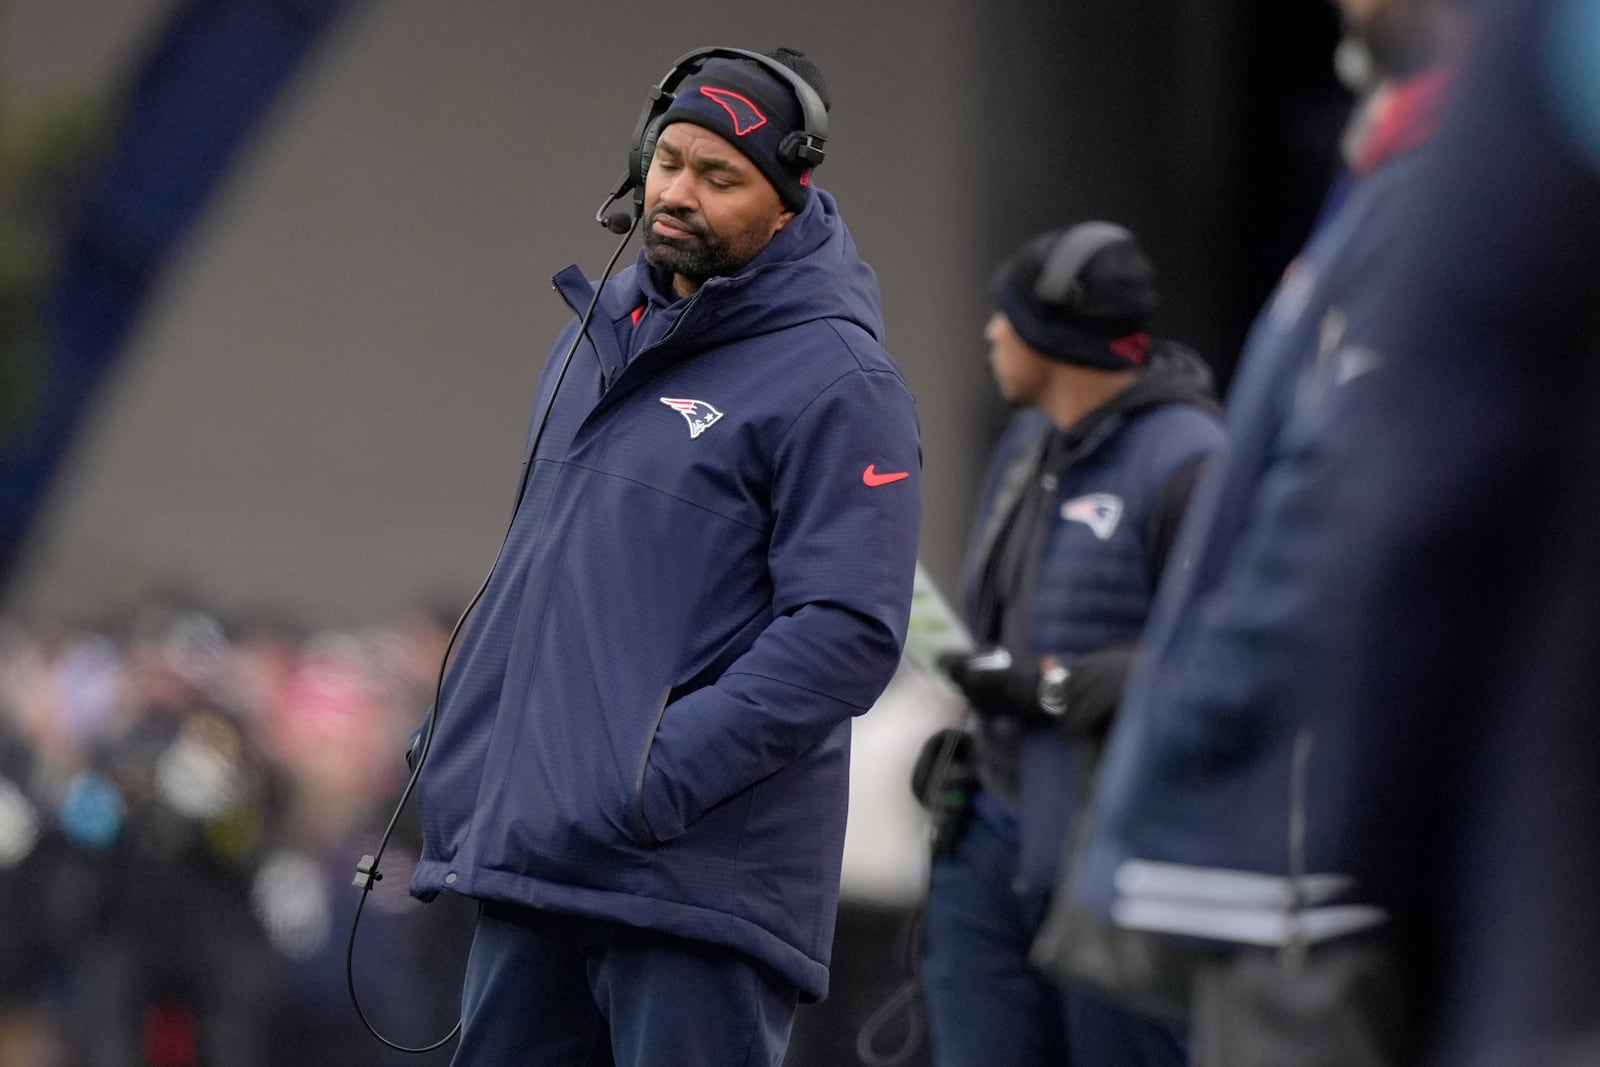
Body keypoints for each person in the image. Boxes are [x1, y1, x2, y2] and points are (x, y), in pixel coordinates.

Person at [404, 45, 923, 1066]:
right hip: (533, 861)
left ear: (787, 198)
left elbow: (847, 633)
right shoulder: (590, 339)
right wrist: (466, 750)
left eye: (718, 174)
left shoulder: (842, 379)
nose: (676, 192)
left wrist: (649, 780)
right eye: (667, 160)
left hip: (691, 891)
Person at [1062, 2, 1474, 1064]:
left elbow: (1344, 528)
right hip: (1291, 861)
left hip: (1313, 868)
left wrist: (1186, 726)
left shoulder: (1455, 188)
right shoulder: (1390, 181)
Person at [915, 221, 1225, 1065]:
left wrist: (1054, 688)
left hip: (1112, 862)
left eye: (1007, 315)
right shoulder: (1024, 442)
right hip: (988, 840)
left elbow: (1223, 671)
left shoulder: (1190, 462)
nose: (991, 331)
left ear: (1053, 335)